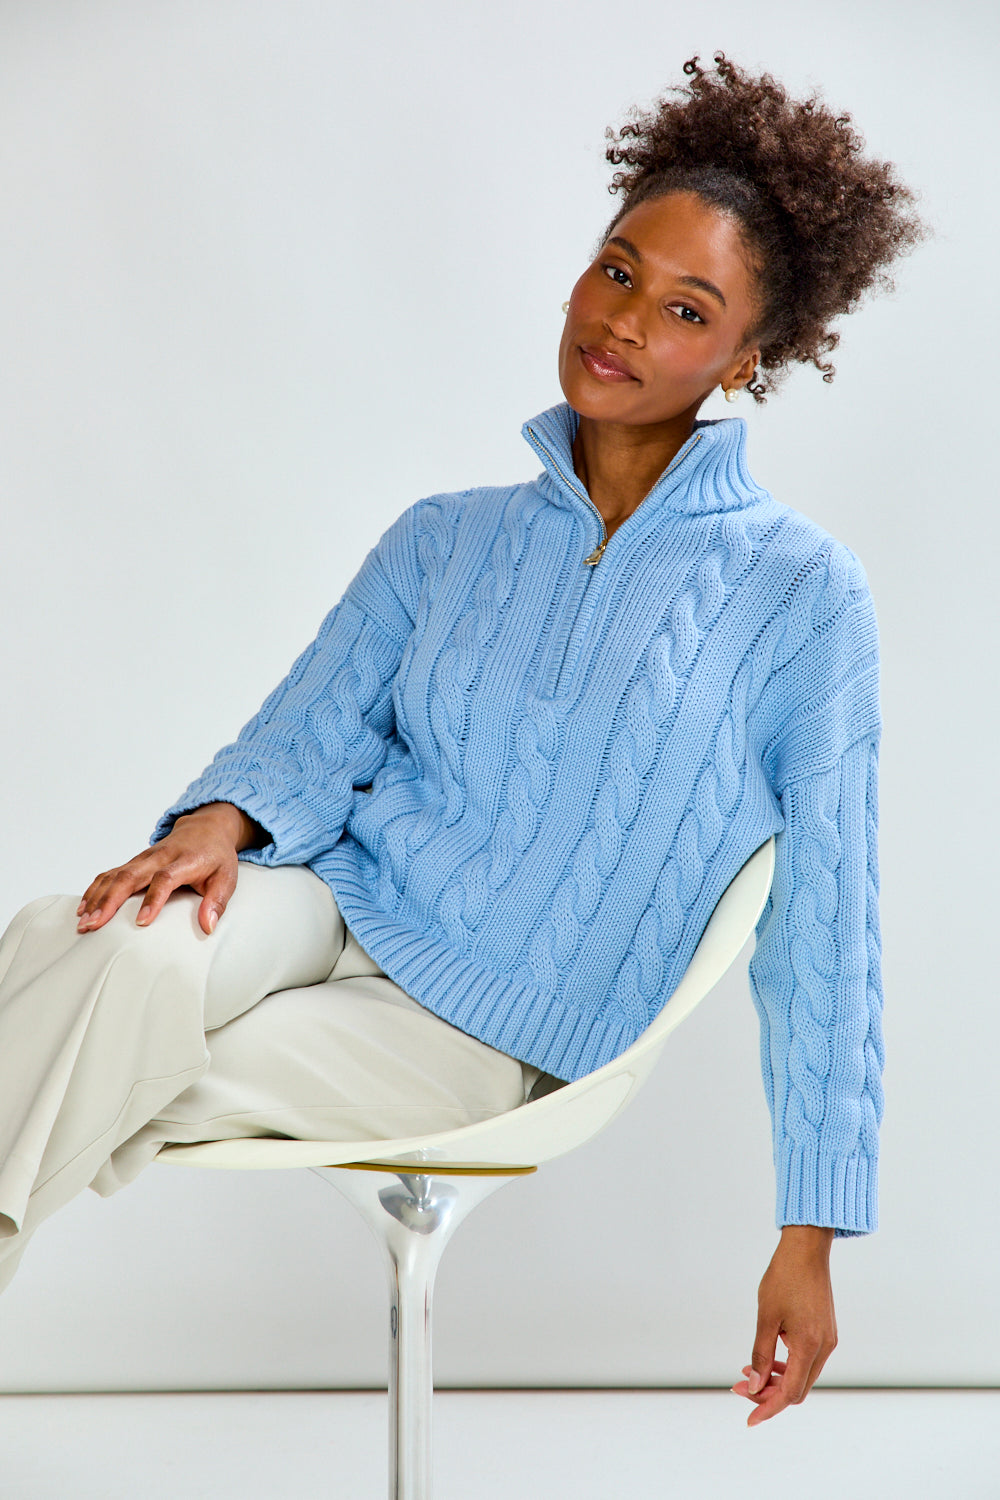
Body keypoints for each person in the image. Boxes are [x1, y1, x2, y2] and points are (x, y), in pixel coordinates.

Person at [0, 53, 924, 1428]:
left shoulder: (800, 595)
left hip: (501, 1021)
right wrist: (214, 824)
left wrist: (814, 1227)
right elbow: (309, 729)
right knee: (91, 943)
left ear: (747, 358)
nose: (625, 324)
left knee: (92, 1042)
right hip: (342, 899)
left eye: (687, 310)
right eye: (618, 272)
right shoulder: (447, 538)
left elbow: (828, 920)